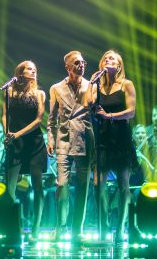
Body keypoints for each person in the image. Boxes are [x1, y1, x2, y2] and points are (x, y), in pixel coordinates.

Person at [86, 50, 137, 244]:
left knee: (123, 185)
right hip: (103, 139)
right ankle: (105, 222)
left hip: (121, 137)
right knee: (98, 184)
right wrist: (93, 83)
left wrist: (109, 116)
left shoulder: (126, 84)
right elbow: (88, 103)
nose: (109, 60)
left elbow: (131, 112)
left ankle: (121, 226)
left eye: (112, 59)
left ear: (119, 65)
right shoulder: (97, 84)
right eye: (106, 58)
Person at [47, 51, 95, 243]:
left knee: (83, 186)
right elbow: (51, 119)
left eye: (83, 62)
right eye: (77, 63)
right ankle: (60, 226)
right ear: (68, 67)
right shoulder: (56, 88)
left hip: (84, 138)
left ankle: (78, 230)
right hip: (64, 140)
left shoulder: (90, 86)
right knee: (62, 184)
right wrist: (50, 139)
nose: (81, 65)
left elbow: (93, 110)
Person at [2, 61, 47, 240]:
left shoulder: (39, 93)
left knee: (37, 186)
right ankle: (14, 226)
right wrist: (7, 133)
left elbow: (38, 120)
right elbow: (5, 115)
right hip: (14, 142)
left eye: (35, 70)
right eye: (29, 69)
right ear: (20, 72)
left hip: (34, 142)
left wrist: (17, 134)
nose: (33, 72)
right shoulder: (9, 91)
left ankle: (36, 229)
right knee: (10, 187)